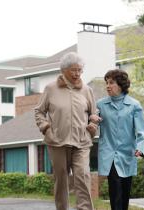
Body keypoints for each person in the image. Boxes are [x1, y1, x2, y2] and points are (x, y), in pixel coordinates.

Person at [34, 52, 98, 210]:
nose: (77, 74)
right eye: (73, 70)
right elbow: (39, 112)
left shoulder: (86, 90)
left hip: (81, 141)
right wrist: (46, 129)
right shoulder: (51, 88)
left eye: (80, 70)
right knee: (61, 180)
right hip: (57, 142)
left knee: (83, 176)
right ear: (64, 70)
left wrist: (92, 126)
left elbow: (94, 114)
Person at [94, 69, 144, 210]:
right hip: (109, 153)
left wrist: (140, 148)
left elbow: (142, 130)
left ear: (121, 84)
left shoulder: (134, 105)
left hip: (128, 154)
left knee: (125, 190)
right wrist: (92, 121)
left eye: (111, 82)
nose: (108, 86)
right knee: (115, 188)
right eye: (106, 83)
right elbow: (93, 122)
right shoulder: (100, 105)